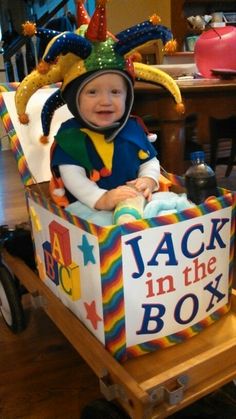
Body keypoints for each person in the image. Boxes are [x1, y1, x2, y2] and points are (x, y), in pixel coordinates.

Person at [15, 0, 185, 224]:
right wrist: (102, 198)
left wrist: (149, 179)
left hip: (135, 199)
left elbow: (149, 160)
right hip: (90, 207)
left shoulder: (133, 128)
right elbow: (72, 177)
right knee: (100, 225)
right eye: (92, 92)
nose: (105, 101)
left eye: (115, 92)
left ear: (128, 97)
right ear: (74, 99)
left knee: (172, 208)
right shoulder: (71, 136)